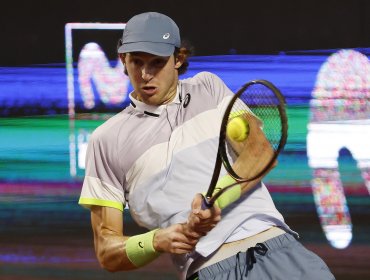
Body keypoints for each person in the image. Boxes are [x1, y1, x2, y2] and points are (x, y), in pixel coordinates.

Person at [78, 11, 336, 280]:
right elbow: (107, 250)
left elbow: (260, 152)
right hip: (210, 270)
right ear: (123, 59)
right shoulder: (106, 140)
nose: (145, 74)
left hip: (279, 252)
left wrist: (216, 200)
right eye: (136, 62)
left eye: (157, 62)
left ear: (178, 59)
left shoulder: (208, 88)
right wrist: (157, 240)